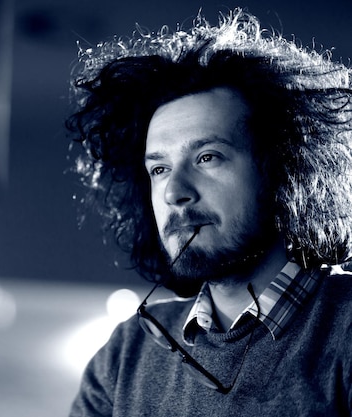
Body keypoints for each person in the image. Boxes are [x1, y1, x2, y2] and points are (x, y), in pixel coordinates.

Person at [64, 7, 352, 416]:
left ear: (284, 167)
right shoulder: (126, 356)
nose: (174, 192)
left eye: (207, 157)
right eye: (159, 169)